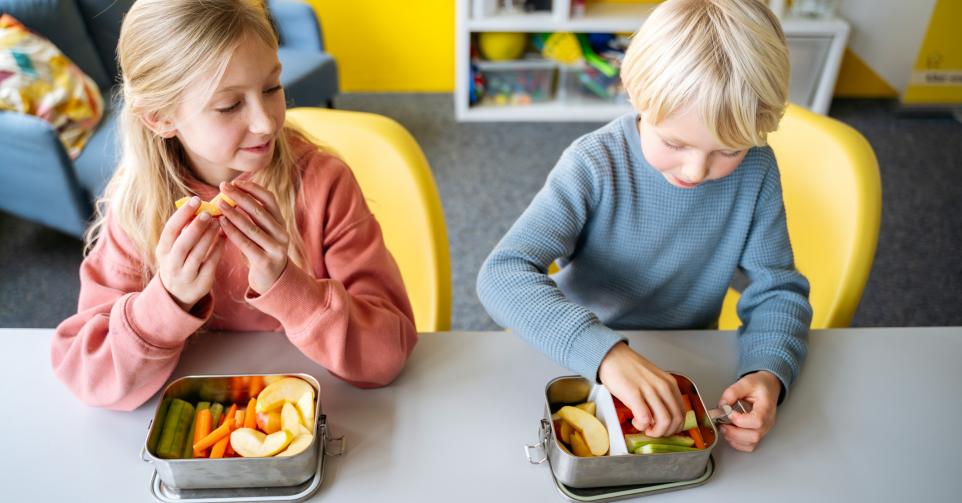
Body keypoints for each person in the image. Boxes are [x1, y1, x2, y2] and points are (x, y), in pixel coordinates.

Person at [477, 0, 812, 452]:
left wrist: (767, 371)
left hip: (686, 360)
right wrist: (606, 354)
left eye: (727, 150)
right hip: (572, 356)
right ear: (634, 93)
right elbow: (502, 275)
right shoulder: (594, 163)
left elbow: (776, 290)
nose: (695, 170)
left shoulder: (757, 171)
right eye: (674, 142)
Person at [52, 0, 417, 411]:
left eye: (272, 88)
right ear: (159, 117)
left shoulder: (323, 185)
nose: (265, 122)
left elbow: (388, 354)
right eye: (229, 106)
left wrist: (288, 283)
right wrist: (167, 301)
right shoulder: (138, 208)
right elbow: (88, 375)